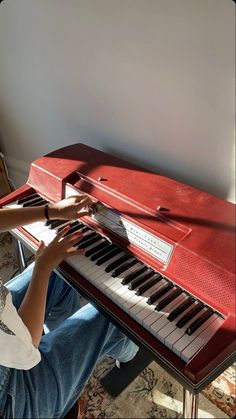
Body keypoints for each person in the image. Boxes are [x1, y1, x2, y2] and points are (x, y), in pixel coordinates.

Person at [0, 195, 138, 418]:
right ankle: (129, 354)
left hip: (7, 339)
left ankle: (69, 344)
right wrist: (42, 267)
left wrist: (49, 211)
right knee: (113, 311)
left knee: (61, 274)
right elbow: (24, 346)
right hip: (13, 402)